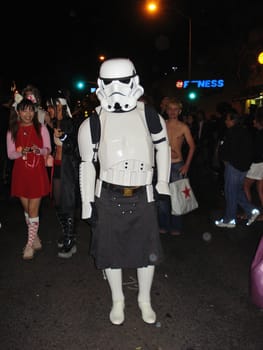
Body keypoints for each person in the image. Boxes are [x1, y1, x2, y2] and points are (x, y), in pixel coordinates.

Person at [78, 58, 170, 325]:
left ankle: (144, 299)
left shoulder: (149, 115)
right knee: (110, 252)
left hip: (142, 192)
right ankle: (117, 299)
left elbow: (162, 146)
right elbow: (87, 163)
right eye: (109, 82)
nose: (116, 87)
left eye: (122, 81)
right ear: (101, 84)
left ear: (134, 80)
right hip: (108, 193)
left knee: (147, 251)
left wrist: (162, 183)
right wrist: (87, 201)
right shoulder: (94, 122)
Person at [6, 98, 51, 260]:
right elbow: (10, 154)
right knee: (27, 210)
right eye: (24, 110)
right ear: (18, 112)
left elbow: (48, 149)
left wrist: (38, 150)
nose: (28, 114)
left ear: (34, 111)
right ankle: (36, 237)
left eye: (31, 110)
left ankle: (29, 244)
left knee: (33, 210)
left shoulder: (41, 128)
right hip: (21, 174)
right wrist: (21, 152)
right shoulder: (13, 130)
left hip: (37, 174)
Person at [47, 92, 81, 258]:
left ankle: (70, 240)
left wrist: (65, 137)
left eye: (52, 107)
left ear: (60, 107)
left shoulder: (69, 123)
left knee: (67, 203)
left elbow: (74, 144)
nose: (49, 109)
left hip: (68, 168)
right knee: (58, 202)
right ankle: (68, 234)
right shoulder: (56, 122)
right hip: (58, 166)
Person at [215, 109, 260, 228]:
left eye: (227, 119)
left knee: (230, 192)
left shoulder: (232, 132)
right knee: (237, 190)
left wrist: (225, 159)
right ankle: (252, 210)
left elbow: (228, 150)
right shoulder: (246, 131)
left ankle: (229, 219)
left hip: (234, 166)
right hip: (244, 167)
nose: (225, 121)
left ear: (233, 120)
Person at [158, 97, 196, 236]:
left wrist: (186, 165)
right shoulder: (162, 124)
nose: (173, 112)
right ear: (167, 111)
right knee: (162, 198)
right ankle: (163, 224)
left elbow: (192, 147)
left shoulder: (183, 127)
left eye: (175, 109)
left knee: (177, 198)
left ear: (179, 111)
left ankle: (176, 226)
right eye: (170, 109)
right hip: (163, 165)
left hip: (177, 165)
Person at [243, 106, 263, 215]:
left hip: (258, 163)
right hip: (261, 163)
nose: (253, 121)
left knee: (246, 185)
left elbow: (257, 152)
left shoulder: (259, 134)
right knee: (260, 189)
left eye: (255, 119)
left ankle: (248, 211)